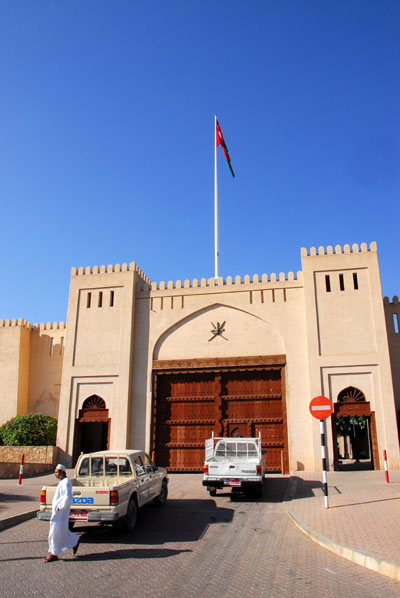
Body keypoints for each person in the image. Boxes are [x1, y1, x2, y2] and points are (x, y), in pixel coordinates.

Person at [44, 464, 80, 563]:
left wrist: (61, 507)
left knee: (54, 532)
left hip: (60, 512)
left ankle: (53, 554)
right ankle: (74, 541)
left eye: (57, 472)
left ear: (62, 472)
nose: (55, 473)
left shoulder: (66, 482)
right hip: (58, 512)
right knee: (61, 532)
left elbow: (68, 496)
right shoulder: (62, 482)